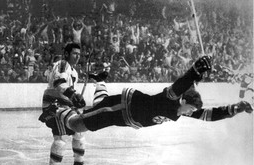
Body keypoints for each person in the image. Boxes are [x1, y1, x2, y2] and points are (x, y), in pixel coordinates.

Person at [39, 55, 253, 139]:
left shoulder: (180, 113)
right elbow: (180, 85)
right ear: (183, 101)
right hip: (121, 109)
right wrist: (195, 72)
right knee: (77, 125)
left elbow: (210, 115)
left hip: (123, 117)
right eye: (190, 108)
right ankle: (56, 109)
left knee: (97, 105)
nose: (192, 113)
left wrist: (236, 108)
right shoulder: (171, 99)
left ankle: (99, 81)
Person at [40, 43, 94, 165]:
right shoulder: (62, 64)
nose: (77, 56)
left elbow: (68, 93)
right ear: (66, 54)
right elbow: (60, 83)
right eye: (74, 53)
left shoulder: (73, 71)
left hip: (62, 104)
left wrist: (75, 100)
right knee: (61, 137)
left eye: (79, 54)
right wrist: (74, 96)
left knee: (79, 132)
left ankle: (78, 164)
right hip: (53, 105)